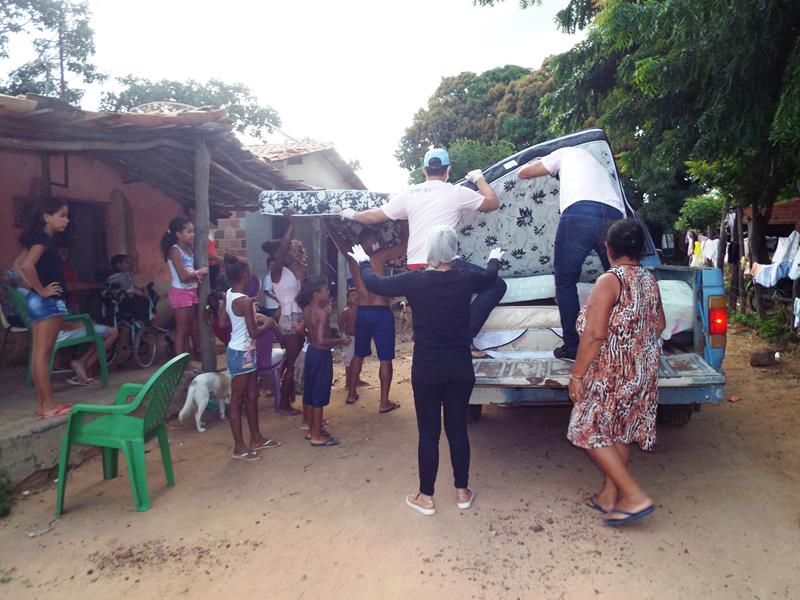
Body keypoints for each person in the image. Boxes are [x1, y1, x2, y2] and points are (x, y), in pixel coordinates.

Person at [350, 226, 504, 516]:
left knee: (429, 434)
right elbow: (490, 277)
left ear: (429, 252)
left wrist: (362, 261)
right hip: (460, 366)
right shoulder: (467, 277)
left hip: (427, 368)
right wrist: (494, 258)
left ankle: (426, 496)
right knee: (457, 430)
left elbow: (375, 283)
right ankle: (462, 492)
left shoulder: (415, 281)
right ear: (455, 251)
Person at [341, 148, 507, 357]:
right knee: (497, 285)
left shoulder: (410, 194)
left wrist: (350, 214)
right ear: (448, 170)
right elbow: (493, 202)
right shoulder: (456, 192)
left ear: (424, 170)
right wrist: (479, 178)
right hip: (445, 264)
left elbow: (373, 217)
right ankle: (465, 338)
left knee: (424, 315)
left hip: (416, 267)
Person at [566, 219, 665, 527]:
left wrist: (577, 375)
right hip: (643, 369)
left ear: (608, 249)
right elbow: (659, 324)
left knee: (585, 430)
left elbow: (594, 334)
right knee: (619, 430)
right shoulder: (649, 279)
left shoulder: (609, 281)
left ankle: (633, 495)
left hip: (612, 371)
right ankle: (609, 496)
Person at [518, 146, 626, 361]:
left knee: (566, 282)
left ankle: (573, 347)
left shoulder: (562, 153)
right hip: (615, 214)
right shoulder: (594, 164)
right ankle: (623, 343)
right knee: (623, 280)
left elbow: (525, 173)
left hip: (581, 213)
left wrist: (526, 166)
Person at [14, 197, 116, 417]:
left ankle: (44, 405)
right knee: (43, 354)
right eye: (62, 215)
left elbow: (17, 265)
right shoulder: (44, 240)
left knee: (39, 355)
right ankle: (49, 405)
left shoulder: (37, 238)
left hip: (38, 301)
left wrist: (35, 289)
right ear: (46, 217)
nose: (67, 220)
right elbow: (26, 265)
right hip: (47, 301)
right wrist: (41, 289)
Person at [328, 224, 408, 413]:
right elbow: (405, 245)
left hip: (362, 312)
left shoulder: (352, 258)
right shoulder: (379, 256)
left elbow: (339, 243)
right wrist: (405, 221)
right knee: (385, 358)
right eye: (377, 240)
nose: (379, 243)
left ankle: (351, 392)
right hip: (380, 313)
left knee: (359, 353)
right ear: (371, 241)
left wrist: (328, 223)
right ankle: (383, 402)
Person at [225, 256, 281, 461]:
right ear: (245, 275)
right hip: (242, 352)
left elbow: (227, 321)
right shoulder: (245, 301)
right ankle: (239, 447)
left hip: (243, 351)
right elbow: (254, 333)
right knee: (237, 400)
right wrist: (270, 322)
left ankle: (256, 437)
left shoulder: (230, 294)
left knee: (251, 395)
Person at [261, 213, 307, 415]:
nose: (290, 252)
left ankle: (286, 398)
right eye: (287, 250)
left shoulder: (287, 271)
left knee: (292, 359)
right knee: (292, 361)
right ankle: (284, 404)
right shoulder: (277, 270)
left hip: (293, 315)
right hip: (289, 319)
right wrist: (290, 224)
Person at [298, 275, 350, 447]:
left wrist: (310, 337)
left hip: (312, 352)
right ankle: (317, 436)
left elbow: (301, 330)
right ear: (316, 294)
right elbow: (322, 340)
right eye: (325, 290)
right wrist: (340, 342)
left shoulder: (307, 309)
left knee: (311, 393)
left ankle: (312, 430)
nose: (328, 292)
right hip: (320, 354)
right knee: (319, 394)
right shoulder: (321, 313)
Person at [161, 216, 208, 360]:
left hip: (191, 291)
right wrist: (199, 272)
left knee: (187, 330)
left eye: (193, 231)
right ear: (178, 234)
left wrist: (195, 275)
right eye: (189, 231)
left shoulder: (188, 250)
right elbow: (183, 276)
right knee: (182, 332)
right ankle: (180, 365)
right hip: (181, 292)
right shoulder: (175, 251)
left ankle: (186, 363)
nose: (193, 234)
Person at [107, 254, 150, 322]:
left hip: (112, 306)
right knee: (149, 298)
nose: (130, 265)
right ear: (118, 265)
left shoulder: (111, 277)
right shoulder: (122, 277)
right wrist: (145, 288)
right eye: (127, 262)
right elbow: (143, 294)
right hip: (125, 306)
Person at [337, 288, 359, 403]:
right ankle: (348, 382)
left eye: (357, 295)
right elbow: (340, 322)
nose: (355, 297)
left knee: (357, 360)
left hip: (359, 338)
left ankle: (355, 381)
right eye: (352, 295)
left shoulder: (361, 310)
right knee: (349, 362)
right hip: (349, 339)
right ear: (348, 299)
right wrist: (344, 332)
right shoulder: (347, 311)